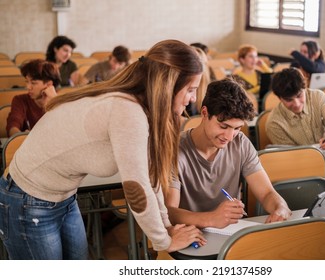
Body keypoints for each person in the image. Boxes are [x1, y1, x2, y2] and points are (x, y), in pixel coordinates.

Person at [0, 39, 205, 260]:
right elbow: (137, 188)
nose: (193, 98)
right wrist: (165, 242)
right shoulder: (128, 111)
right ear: (168, 85)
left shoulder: (143, 108)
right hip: (27, 198)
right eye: (191, 90)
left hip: (64, 197)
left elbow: (150, 176)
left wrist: (166, 227)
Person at [165, 78, 291, 231]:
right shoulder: (173, 150)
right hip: (191, 235)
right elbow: (169, 212)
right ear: (204, 113)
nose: (230, 137)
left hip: (230, 235)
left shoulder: (241, 143)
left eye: (237, 128)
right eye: (223, 126)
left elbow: (266, 193)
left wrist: (281, 207)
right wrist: (211, 218)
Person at [266, 67, 325, 149]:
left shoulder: (318, 97)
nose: (297, 104)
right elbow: (291, 156)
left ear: (305, 88)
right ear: (279, 98)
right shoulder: (274, 123)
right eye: (289, 100)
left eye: (299, 96)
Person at [6, 59, 60, 137]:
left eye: (33, 83)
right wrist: (20, 136)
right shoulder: (20, 100)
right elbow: (13, 125)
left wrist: (54, 102)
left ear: (49, 84)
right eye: (27, 82)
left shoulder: (61, 102)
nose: (28, 87)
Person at [232, 44, 273, 112]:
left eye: (256, 56)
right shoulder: (236, 78)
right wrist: (257, 89)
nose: (254, 59)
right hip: (247, 110)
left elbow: (271, 77)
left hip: (264, 108)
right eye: (251, 56)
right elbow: (239, 96)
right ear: (242, 59)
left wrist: (264, 66)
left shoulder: (260, 73)